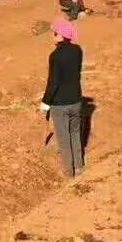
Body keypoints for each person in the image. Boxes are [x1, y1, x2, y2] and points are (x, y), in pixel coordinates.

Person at [40, 19, 84, 178]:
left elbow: (53, 81)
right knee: (75, 133)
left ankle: (69, 172)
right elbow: (76, 73)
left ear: (61, 36)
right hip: (76, 100)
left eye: (55, 33)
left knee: (64, 138)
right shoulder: (78, 50)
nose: (53, 35)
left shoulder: (55, 56)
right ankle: (79, 167)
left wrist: (45, 102)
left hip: (60, 105)